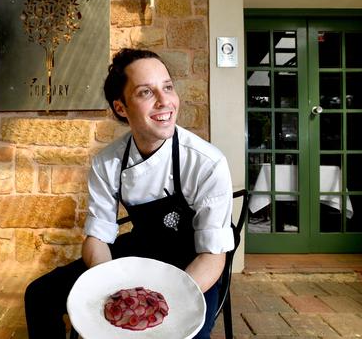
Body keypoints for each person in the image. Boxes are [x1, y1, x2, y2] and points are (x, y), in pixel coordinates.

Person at [24, 48, 234, 339]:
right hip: (138, 253)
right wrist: (111, 287)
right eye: (146, 92)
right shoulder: (107, 162)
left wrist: (166, 298)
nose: (165, 102)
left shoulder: (207, 163)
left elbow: (213, 255)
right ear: (121, 107)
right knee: (40, 295)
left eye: (168, 87)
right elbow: (98, 237)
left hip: (194, 265)